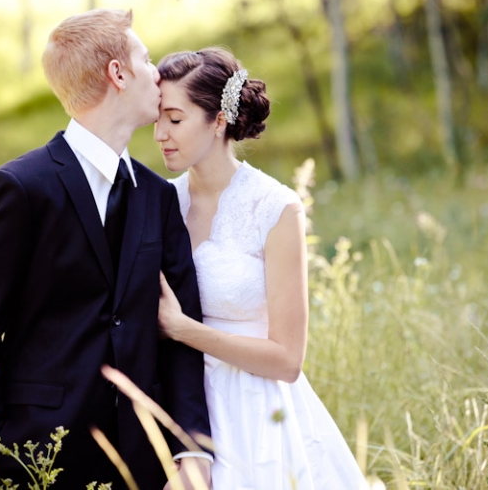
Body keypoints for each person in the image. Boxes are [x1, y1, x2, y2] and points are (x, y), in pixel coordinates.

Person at [0, 9, 212, 490]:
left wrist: (191, 447)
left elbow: (181, 334)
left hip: (144, 455)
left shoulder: (159, 196)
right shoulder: (19, 189)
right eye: (145, 57)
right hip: (36, 453)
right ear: (118, 73)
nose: (157, 72)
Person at [154, 48, 369, 489]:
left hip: (257, 412)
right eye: (156, 118)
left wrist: (182, 329)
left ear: (218, 121)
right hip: (181, 407)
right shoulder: (159, 203)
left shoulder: (275, 208)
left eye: (174, 120)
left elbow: (288, 360)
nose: (159, 133)